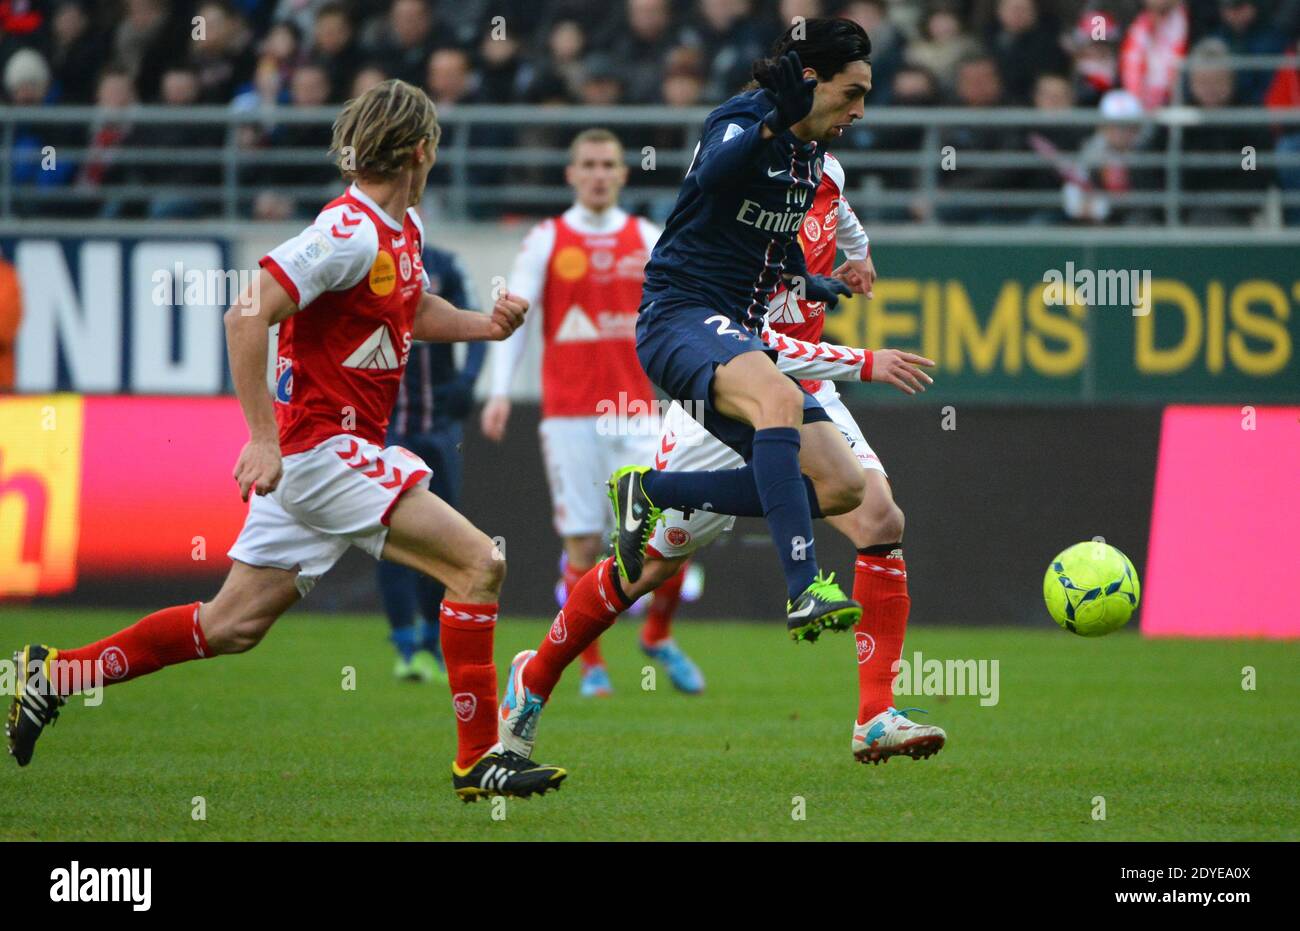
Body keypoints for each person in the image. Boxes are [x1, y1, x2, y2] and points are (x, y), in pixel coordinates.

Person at [6, 79, 566, 803]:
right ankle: (477, 758)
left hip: (330, 454)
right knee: (478, 564)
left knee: (230, 624)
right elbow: (247, 313)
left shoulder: (403, 230)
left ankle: (53, 674)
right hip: (321, 451)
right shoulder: (348, 230)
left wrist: (482, 325)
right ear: (423, 149)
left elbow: (409, 308)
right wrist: (262, 440)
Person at [498, 153, 948, 769]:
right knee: (647, 568)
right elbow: (749, 338)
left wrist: (859, 255)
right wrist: (864, 360)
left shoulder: (826, 174)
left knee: (880, 521)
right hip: (733, 387)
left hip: (808, 384)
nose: (852, 114)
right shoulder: (740, 211)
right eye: (847, 98)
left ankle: (874, 716)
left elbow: (841, 214)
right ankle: (537, 674)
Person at [607, 18, 877, 642]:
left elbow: (769, 232)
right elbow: (714, 178)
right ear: (810, 81)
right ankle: (805, 587)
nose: (860, 110)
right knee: (779, 399)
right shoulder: (746, 115)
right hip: (679, 313)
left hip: (737, 329)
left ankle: (649, 490)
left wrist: (805, 280)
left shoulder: (812, 153)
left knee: (842, 486)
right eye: (852, 93)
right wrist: (772, 122)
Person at [481, 128, 705, 698]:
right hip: (570, 416)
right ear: (572, 174)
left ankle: (656, 635)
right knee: (584, 546)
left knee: (673, 531)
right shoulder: (547, 239)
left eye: (609, 163)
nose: (600, 173)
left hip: (636, 414)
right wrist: (500, 390)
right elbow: (519, 318)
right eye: (589, 164)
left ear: (624, 174)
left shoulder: (647, 237)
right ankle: (591, 667)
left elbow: (682, 312)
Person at [380, 243, 484, 683]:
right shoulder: (363, 255)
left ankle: (428, 643)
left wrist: (467, 380)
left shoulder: (443, 264)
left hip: (438, 427)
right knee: (388, 533)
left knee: (440, 537)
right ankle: (406, 641)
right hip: (384, 427)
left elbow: (480, 324)